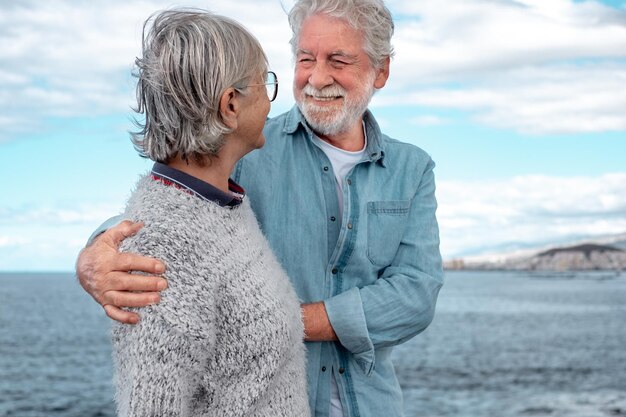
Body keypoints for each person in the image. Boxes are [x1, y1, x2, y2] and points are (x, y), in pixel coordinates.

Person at [77, 1, 443, 416]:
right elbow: (172, 202)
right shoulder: (245, 142)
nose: (316, 78)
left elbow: (416, 294)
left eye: (338, 60)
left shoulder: (413, 168)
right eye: (305, 59)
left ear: (381, 71)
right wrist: (95, 252)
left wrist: (264, 321)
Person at [104, 9, 309, 417]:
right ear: (230, 104)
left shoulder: (220, 201)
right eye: (265, 82)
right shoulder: (166, 247)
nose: (272, 100)